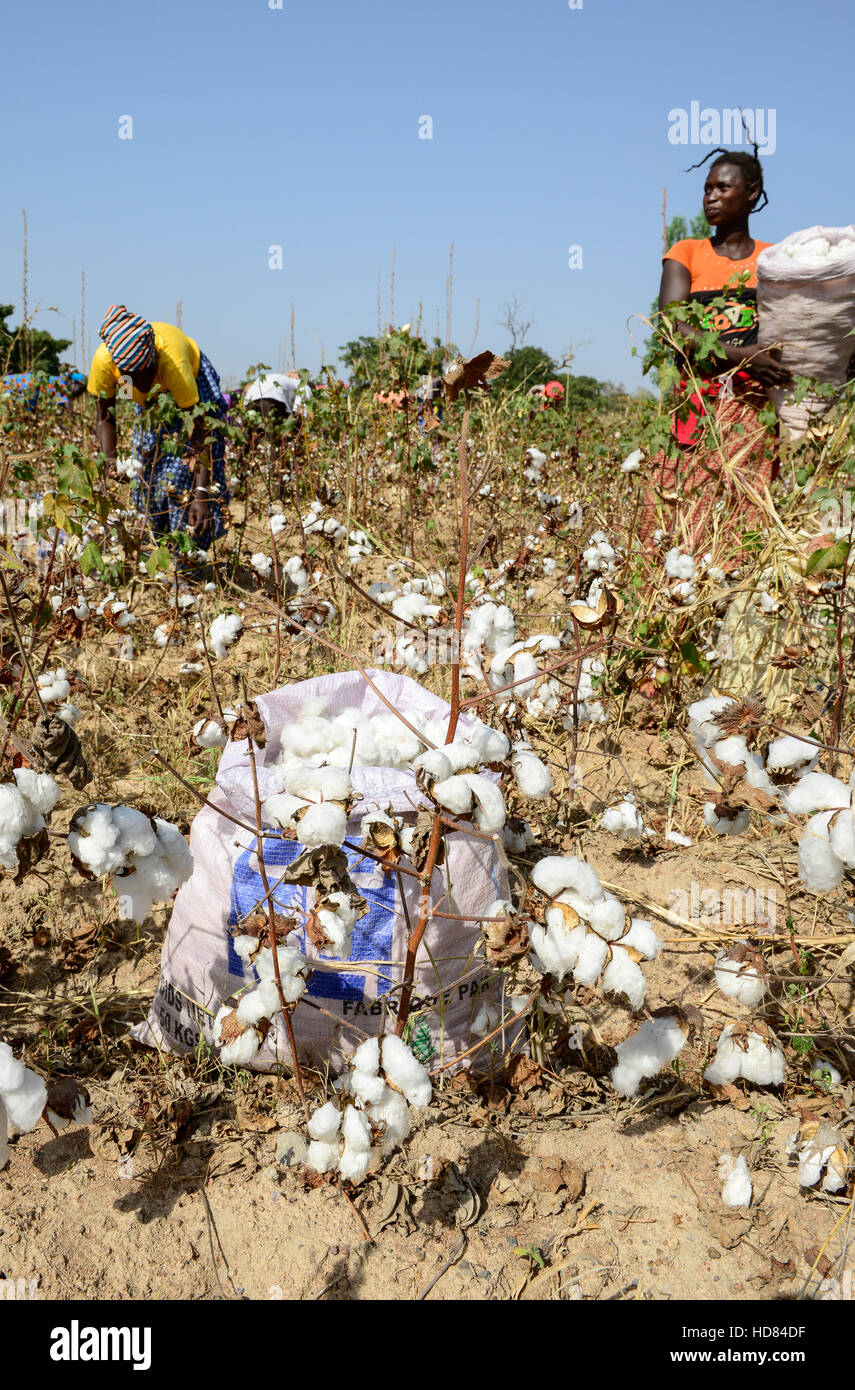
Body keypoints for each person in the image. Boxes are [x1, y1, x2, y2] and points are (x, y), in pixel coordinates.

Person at [641, 147, 793, 551]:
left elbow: (798, 329)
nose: (710, 196)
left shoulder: (774, 260)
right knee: (678, 517)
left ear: (752, 193)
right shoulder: (686, 253)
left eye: (723, 188)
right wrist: (745, 357)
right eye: (707, 188)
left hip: (751, 415)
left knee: (744, 520)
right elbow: (675, 327)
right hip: (695, 405)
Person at [87, 306, 230, 547]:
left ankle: (188, 562)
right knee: (146, 475)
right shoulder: (104, 363)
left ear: (155, 360)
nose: (143, 382)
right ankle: (159, 548)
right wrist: (109, 461)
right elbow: (105, 416)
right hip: (155, 399)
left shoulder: (174, 366)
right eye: (134, 376)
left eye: (147, 373)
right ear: (120, 370)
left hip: (194, 382)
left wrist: (201, 493)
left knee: (182, 477)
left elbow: (200, 431)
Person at [243, 370, 312, 427]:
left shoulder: (283, 379)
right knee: (272, 435)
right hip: (272, 397)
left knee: (250, 431)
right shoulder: (305, 387)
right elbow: (300, 413)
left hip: (250, 398)